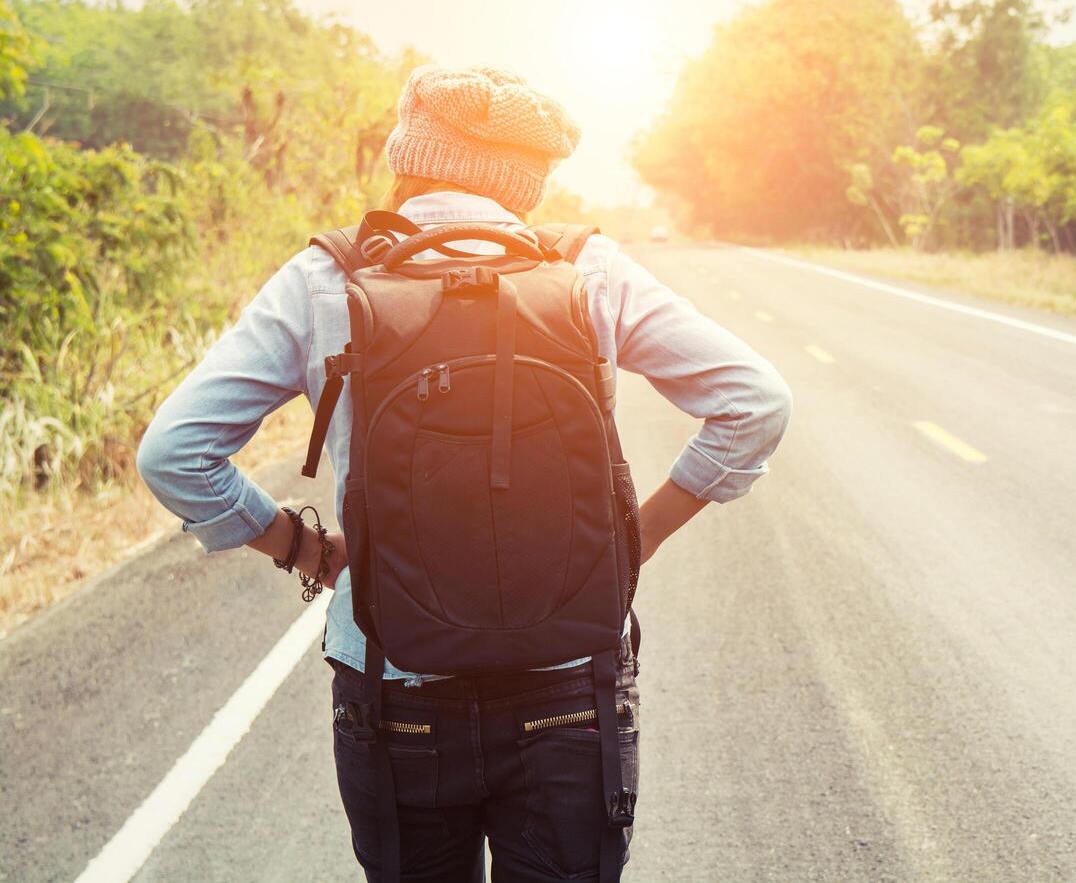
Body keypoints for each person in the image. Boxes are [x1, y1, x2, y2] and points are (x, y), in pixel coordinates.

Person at [136, 65, 793, 882]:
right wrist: (633, 540)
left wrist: (305, 552)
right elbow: (755, 401)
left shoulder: (326, 279)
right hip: (568, 691)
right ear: (528, 179)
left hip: (397, 696)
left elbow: (174, 454)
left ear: (407, 155)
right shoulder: (589, 272)